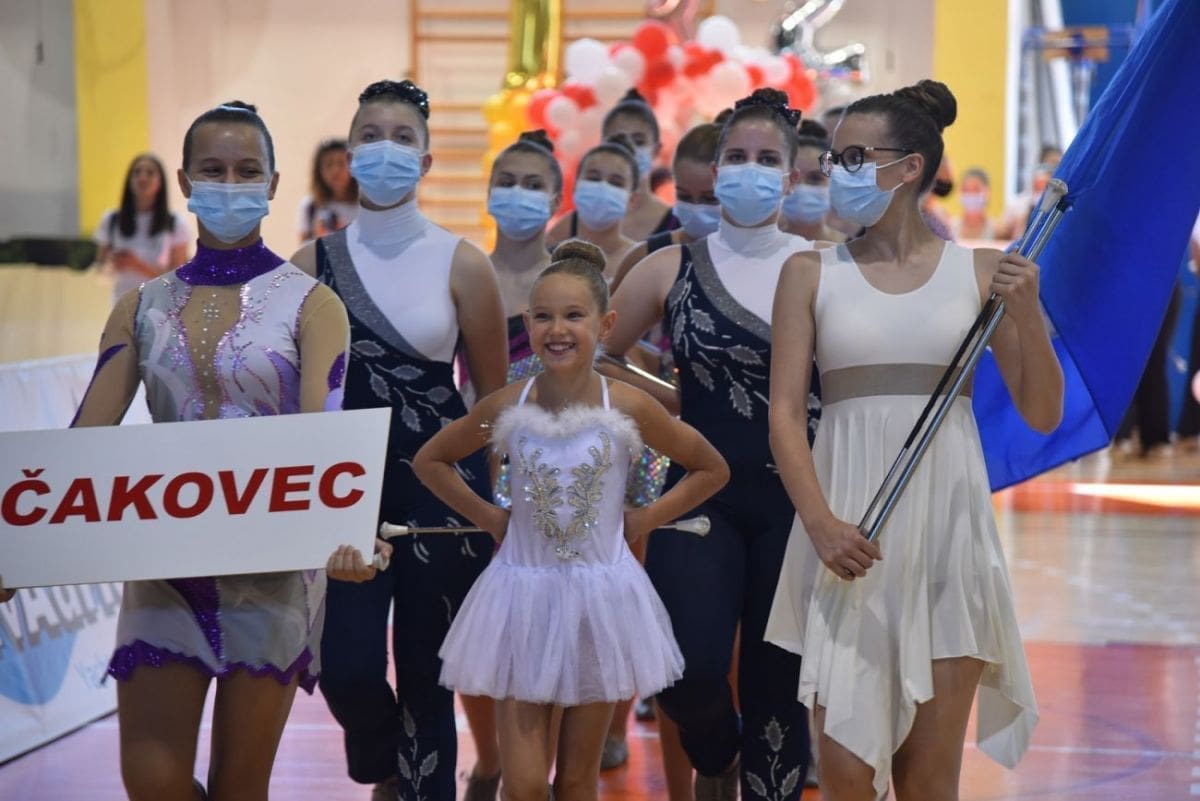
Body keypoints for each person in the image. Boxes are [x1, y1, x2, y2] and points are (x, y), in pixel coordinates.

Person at [71, 100, 382, 801]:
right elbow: (84, 440)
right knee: (150, 782)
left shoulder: (313, 305)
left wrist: (346, 530)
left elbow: (326, 436)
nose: (230, 184)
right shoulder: (139, 307)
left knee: (241, 789)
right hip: (165, 562)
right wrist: (21, 544)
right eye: (213, 170)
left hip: (272, 573)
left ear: (273, 184)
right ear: (185, 181)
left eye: (247, 171)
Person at [766, 80, 1063, 801]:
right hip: (843, 541)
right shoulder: (809, 272)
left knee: (930, 782)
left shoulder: (985, 272)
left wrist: (1026, 314)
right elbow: (784, 415)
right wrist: (821, 525)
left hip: (947, 543)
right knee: (844, 778)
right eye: (834, 159)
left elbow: (1043, 411)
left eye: (854, 157)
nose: (836, 172)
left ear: (909, 168)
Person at [413, 240, 729, 801]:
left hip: (599, 604)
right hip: (520, 598)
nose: (557, 329)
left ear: (605, 325)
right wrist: (489, 516)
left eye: (574, 315)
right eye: (543, 316)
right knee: (526, 785)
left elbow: (711, 468)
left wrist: (645, 518)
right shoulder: (508, 405)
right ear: (527, 324)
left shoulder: (628, 404)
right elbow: (431, 460)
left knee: (579, 780)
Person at [290, 79, 508, 801]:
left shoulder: (463, 262)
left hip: (441, 493)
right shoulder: (307, 265)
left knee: (426, 675)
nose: (385, 149)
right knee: (345, 667)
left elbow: (492, 400)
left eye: (402, 137)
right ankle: (387, 767)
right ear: (350, 153)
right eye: (371, 135)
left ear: (427, 159)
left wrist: (486, 505)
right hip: (343, 491)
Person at [607, 88, 818, 801]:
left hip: (799, 501)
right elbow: (592, 354)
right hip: (697, 495)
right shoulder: (668, 266)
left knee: (777, 686)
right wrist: (665, 405)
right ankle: (717, 759)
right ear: (715, 169)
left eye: (767, 159)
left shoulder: (827, 268)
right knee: (682, 670)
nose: (750, 170)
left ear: (791, 177)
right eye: (737, 156)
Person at [548, 89, 678, 247]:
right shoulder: (568, 228)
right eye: (617, 140)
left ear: (656, 150)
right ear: (603, 145)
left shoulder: (676, 226)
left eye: (638, 141)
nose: (628, 147)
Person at [94, 153, 191, 304]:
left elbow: (179, 278)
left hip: (160, 306)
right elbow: (100, 271)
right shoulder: (111, 220)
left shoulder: (175, 223)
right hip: (121, 304)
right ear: (129, 180)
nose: (142, 178)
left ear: (160, 182)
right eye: (137, 172)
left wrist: (138, 265)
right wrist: (111, 265)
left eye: (150, 173)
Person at [556, 136, 641, 280]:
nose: (603, 187)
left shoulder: (641, 262)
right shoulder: (552, 259)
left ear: (632, 199)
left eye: (616, 182)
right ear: (575, 187)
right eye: (593, 178)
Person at [779, 120, 846, 244]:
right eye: (792, 178)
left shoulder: (855, 249)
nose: (801, 188)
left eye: (815, 178)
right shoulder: (755, 248)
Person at [297, 138, 359, 242]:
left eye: (341, 163)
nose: (335, 171)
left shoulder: (367, 206)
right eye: (328, 164)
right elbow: (303, 246)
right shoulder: (310, 207)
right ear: (319, 170)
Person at [951, 168, 996, 241]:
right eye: (966, 189)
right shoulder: (950, 228)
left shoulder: (998, 231)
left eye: (976, 189)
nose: (971, 194)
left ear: (987, 192)